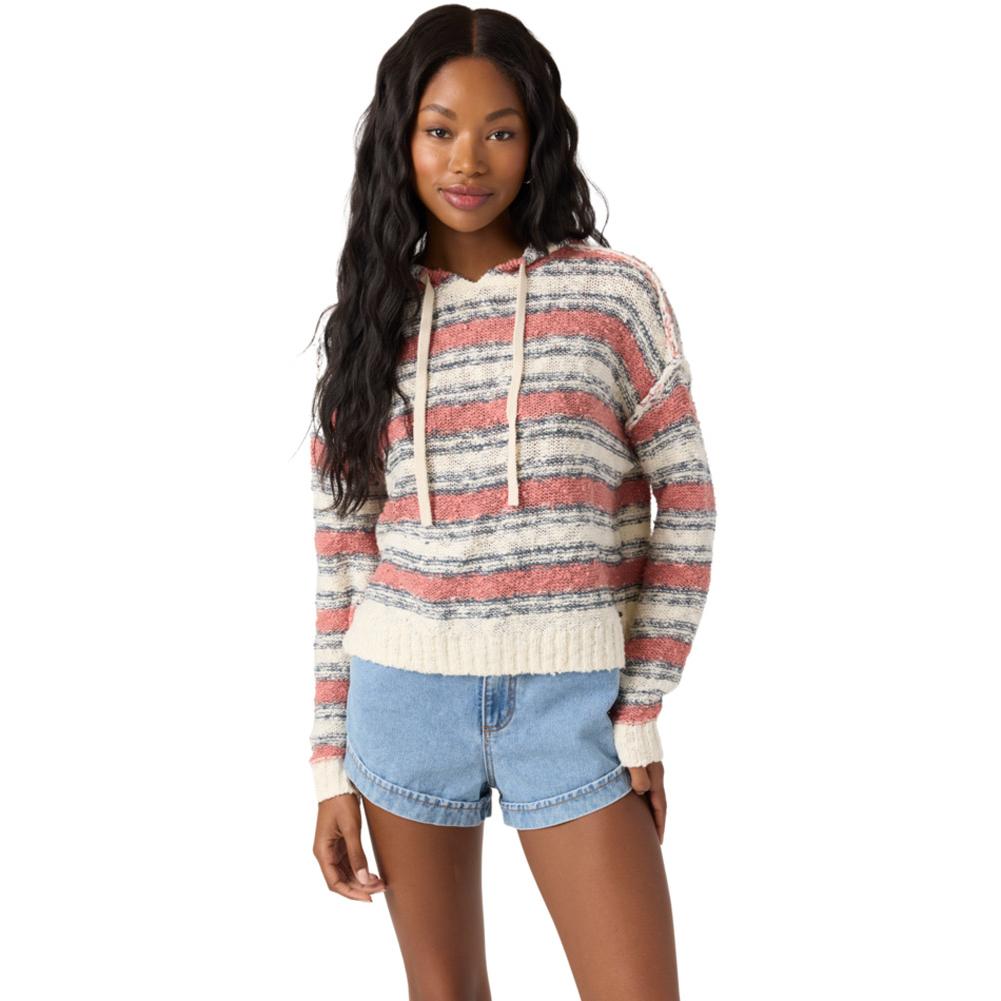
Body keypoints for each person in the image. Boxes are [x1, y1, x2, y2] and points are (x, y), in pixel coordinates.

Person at [307, 7, 716, 999]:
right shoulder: (370, 321)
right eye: (439, 128)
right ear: (400, 139)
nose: (467, 159)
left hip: (569, 704)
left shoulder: (612, 297)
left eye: (499, 129)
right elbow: (343, 554)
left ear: (536, 141)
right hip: (402, 697)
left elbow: (688, 504)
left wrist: (639, 707)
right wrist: (327, 762)